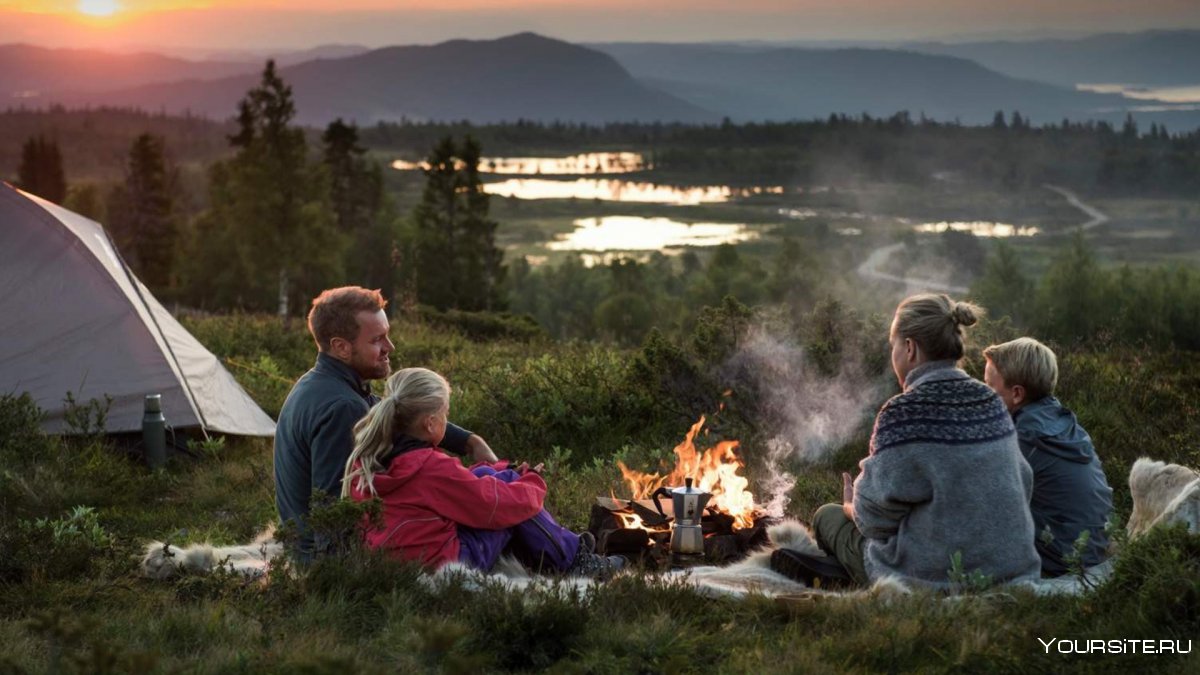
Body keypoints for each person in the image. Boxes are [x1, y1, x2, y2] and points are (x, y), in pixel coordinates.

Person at [772, 293, 1041, 589]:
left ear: (910, 348)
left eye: (893, 346)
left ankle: (841, 574)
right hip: (1011, 568)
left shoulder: (904, 412)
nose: (893, 355)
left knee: (827, 516)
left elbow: (873, 522)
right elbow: (1023, 481)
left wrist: (852, 507)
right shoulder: (990, 400)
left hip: (935, 578)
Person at [274, 287, 498, 562]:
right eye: (377, 340)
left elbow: (392, 412)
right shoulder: (344, 408)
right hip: (327, 558)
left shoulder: (321, 384)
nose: (389, 347)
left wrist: (468, 441)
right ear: (341, 347)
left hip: (307, 548)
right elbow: (333, 506)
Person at [342, 367, 625, 577]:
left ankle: (566, 548)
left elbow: (458, 487)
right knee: (513, 498)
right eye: (445, 414)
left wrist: (500, 470)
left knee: (497, 478)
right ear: (430, 424)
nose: (446, 420)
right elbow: (496, 506)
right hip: (445, 564)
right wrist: (532, 481)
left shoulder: (367, 458)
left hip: (395, 560)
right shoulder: (430, 466)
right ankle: (575, 561)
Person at [983, 337, 1113, 576]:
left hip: (1061, 561)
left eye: (990, 388)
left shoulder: (1025, 439)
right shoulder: (1062, 422)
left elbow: (986, 501)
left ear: (1017, 394)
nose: (985, 397)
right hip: (1092, 548)